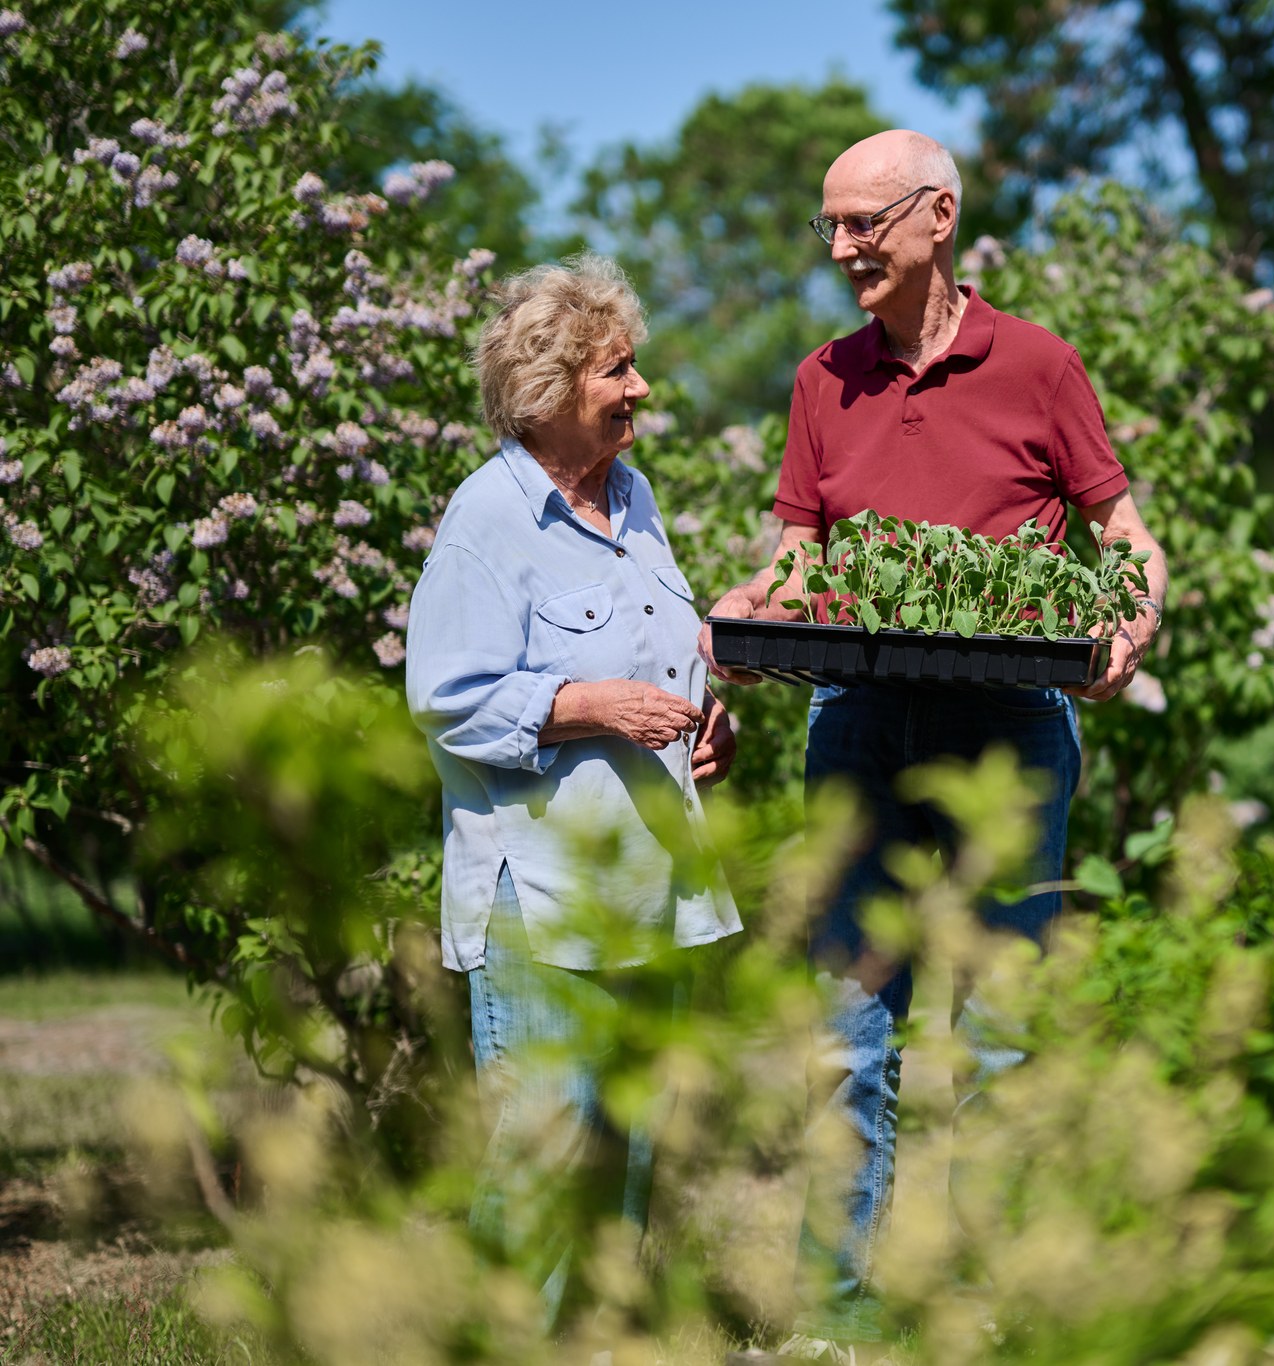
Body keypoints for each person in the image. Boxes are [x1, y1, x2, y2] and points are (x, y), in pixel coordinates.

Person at [699, 130, 1168, 1359]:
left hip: (1010, 723)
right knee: (847, 1031)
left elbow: (1121, 532)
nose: (842, 249)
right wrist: (749, 613)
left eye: (863, 223)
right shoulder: (821, 379)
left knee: (1000, 1032)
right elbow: (801, 560)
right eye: (831, 229)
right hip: (856, 722)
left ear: (937, 216)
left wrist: (1129, 616)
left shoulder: (1037, 365)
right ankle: (838, 1321)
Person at [405, 254, 741, 1330]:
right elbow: (446, 698)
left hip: (647, 884)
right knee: (543, 1163)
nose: (641, 389)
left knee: (623, 1169)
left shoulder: (632, 498)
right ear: (548, 395)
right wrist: (589, 704)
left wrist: (702, 723)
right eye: (618, 372)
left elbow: (659, 661)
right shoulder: (487, 521)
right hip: (542, 898)